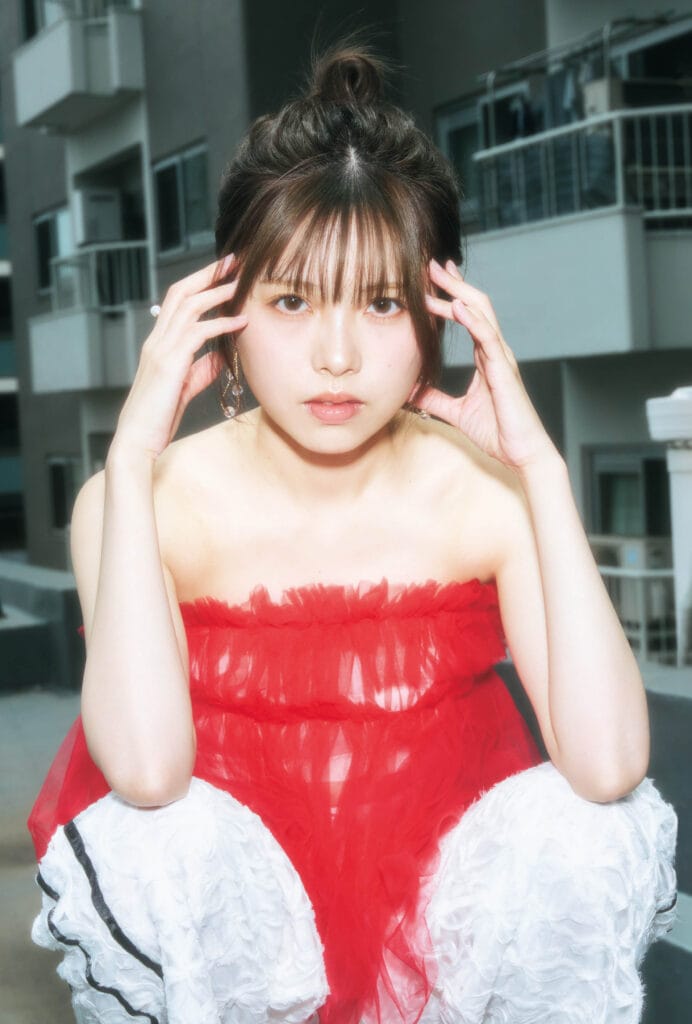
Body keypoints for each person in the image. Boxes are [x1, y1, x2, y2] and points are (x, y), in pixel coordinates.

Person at [28, 45, 677, 1024]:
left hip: (442, 933)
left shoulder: (483, 492)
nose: (336, 357)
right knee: (156, 837)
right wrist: (128, 458)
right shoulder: (141, 500)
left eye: (380, 303)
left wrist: (541, 469)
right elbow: (149, 777)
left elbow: (609, 766)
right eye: (292, 301)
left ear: (437, 311)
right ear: (224, 309)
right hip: (245, 942)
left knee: (589, 828)